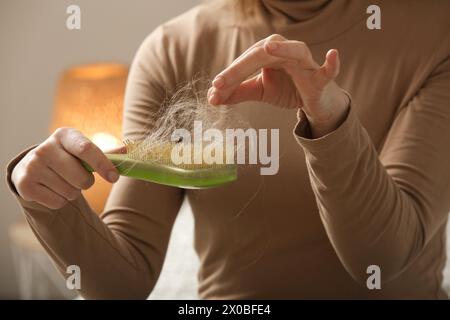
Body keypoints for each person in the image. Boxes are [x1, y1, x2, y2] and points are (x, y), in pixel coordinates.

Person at [6, 0, 450, 299]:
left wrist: (330, 119)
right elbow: (124, 281)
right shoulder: (173, 49)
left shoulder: (436, 33)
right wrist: (48, 197)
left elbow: (381, 259)